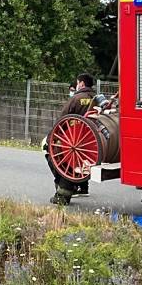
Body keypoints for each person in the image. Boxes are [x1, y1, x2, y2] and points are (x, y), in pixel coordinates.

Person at [44, 73, 97, 206]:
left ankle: (63, 190)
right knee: (77, 161)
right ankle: (81, 187)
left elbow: (62, 119)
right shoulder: (96, 99)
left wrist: (51, 138)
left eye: (78, 83)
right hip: (89, 141)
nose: (76, 85)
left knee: (54, 156)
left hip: (71, 138)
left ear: (82, 84)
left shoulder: (76, 98)